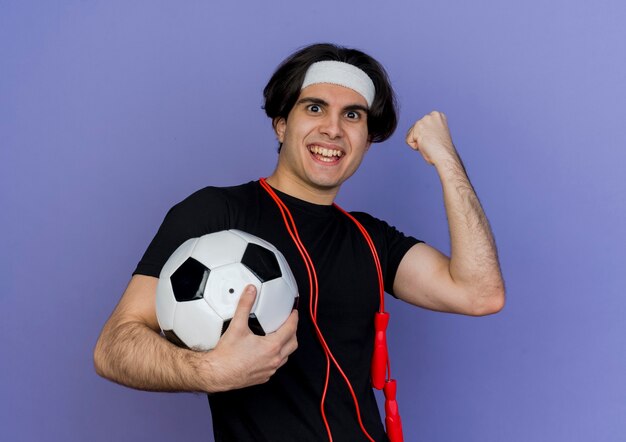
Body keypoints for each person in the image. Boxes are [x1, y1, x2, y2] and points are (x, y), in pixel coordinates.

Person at [94, 43, 505, 442]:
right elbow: (114, 347)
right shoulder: (215, 213)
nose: (333, 128)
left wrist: (447, 161)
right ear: (281, 123)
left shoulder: (370, 238)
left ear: (366, 138)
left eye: (353, 115)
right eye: (314, 108)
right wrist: (211, 372)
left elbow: (480, 293)